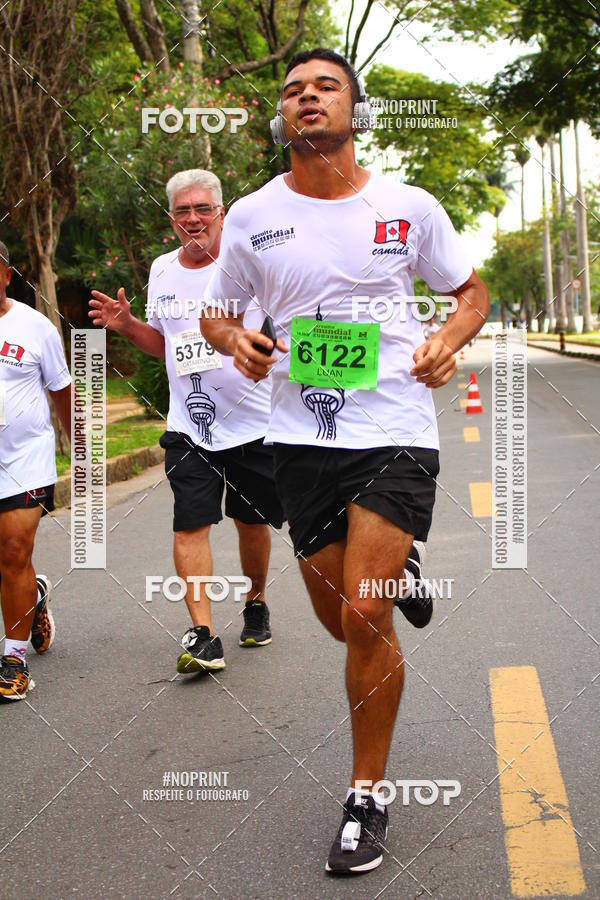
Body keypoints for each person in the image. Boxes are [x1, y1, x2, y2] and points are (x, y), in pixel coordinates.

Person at [201, 49, 489, 874]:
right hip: (300, 438)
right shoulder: (253, 216)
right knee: (337, 622)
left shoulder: (409, 205)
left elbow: (472, 293)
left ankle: (366, 795)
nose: (308, 97)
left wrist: (445, 340)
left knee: (365, 615)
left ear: (355, 111)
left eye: (326, 86)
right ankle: (403, 568)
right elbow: (220, 313)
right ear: (280, 119)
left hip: (394, 427)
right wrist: (239, 341)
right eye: (293, 91)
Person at [89, 170, 284, 675]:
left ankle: (256, 601)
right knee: (189, 523)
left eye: (202, 209)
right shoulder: (161, 270)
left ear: (221, 213)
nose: (193, 218)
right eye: (183, 211)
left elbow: (281, 332)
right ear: (172, 218)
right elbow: (165, 342)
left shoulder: (250, 266)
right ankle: (203, 635)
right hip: (190, 425)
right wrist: (128, 326)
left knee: (251, 521)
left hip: (253, 423)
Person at [0, 240, 71, 701]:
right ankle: (34, 600)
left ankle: (13, 656)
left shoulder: (34, 326)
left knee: (12, 550)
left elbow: (62, 390)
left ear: (6, 274)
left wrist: (80, 451)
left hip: (26, 458)